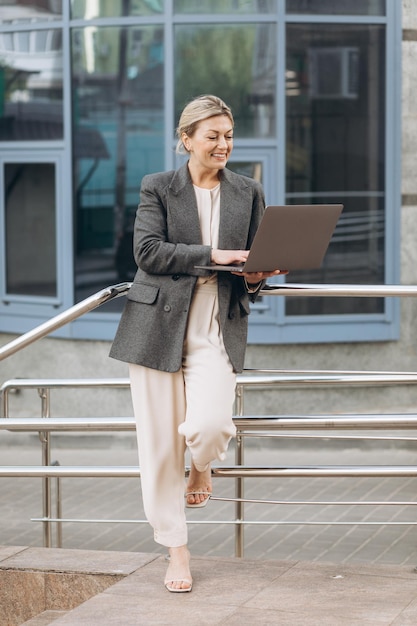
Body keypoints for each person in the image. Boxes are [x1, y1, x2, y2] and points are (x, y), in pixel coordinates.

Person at [110, 94, 283, 593]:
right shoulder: (158, 187)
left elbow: (252, 272)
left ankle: (202, 467)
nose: (223, 144)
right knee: (160, 449)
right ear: (186, 139)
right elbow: (147, 252)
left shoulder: (249, 191)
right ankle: (177, 553)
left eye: (229, 135)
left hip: (216, 322)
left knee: (209, 425)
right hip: (157, 326)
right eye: (213, 136)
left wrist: (258, 273)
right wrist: (215, 253)